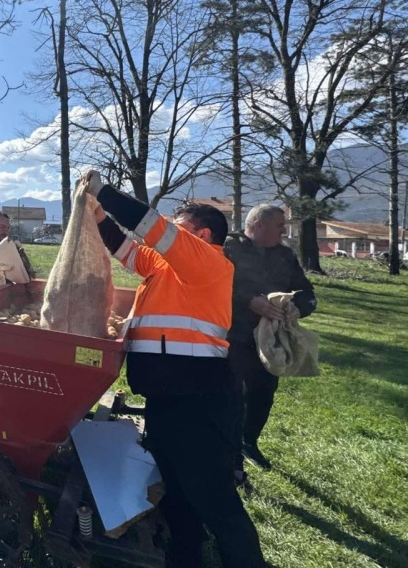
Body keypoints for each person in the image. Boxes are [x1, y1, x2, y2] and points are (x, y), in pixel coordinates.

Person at [84, 171, 265, 568]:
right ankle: (185, 559)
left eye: (179, 230)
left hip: (198, 405)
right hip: (167, 401)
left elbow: (150, 227)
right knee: (178, 496)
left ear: (200, 236)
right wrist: (97, 216)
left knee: (215, 500)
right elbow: (125, 247)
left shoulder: (208, 264)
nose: (167, 237)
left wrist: (102, 189)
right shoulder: (165, 268)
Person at [225, 204, 316, 473]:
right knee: (230, 394)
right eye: (279, 225)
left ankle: (249, 442)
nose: (284, 231)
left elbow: (306, 292)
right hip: (234, 334)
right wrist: (249, 302)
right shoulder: (229, 248)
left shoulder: (285, 255)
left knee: (263, 393)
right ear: (259, 225)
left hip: (270, 340)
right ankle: (227, 448)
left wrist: (297, 307)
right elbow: (215, 286)